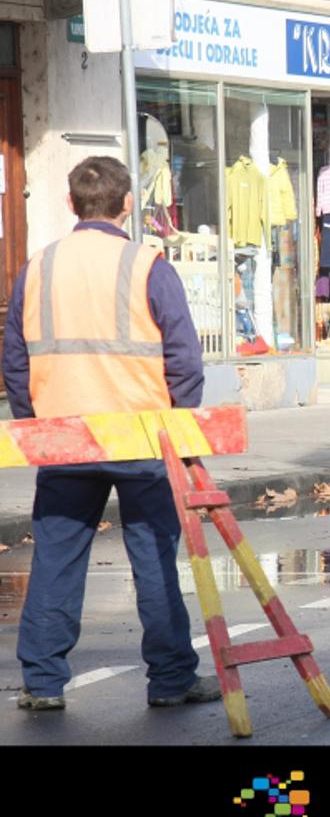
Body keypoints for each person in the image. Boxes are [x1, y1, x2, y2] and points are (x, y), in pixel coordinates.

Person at [3, 156, 221, 710]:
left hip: (67, 437)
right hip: (141, 437)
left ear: (71, 204)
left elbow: (15, 361)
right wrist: (176, 425)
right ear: (128, 204)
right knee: (153, 558)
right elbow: (184, 360)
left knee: (56, 560)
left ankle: (43, 684)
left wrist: (39, 425)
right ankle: (171, 681)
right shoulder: (146, 264)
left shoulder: (38, 267)